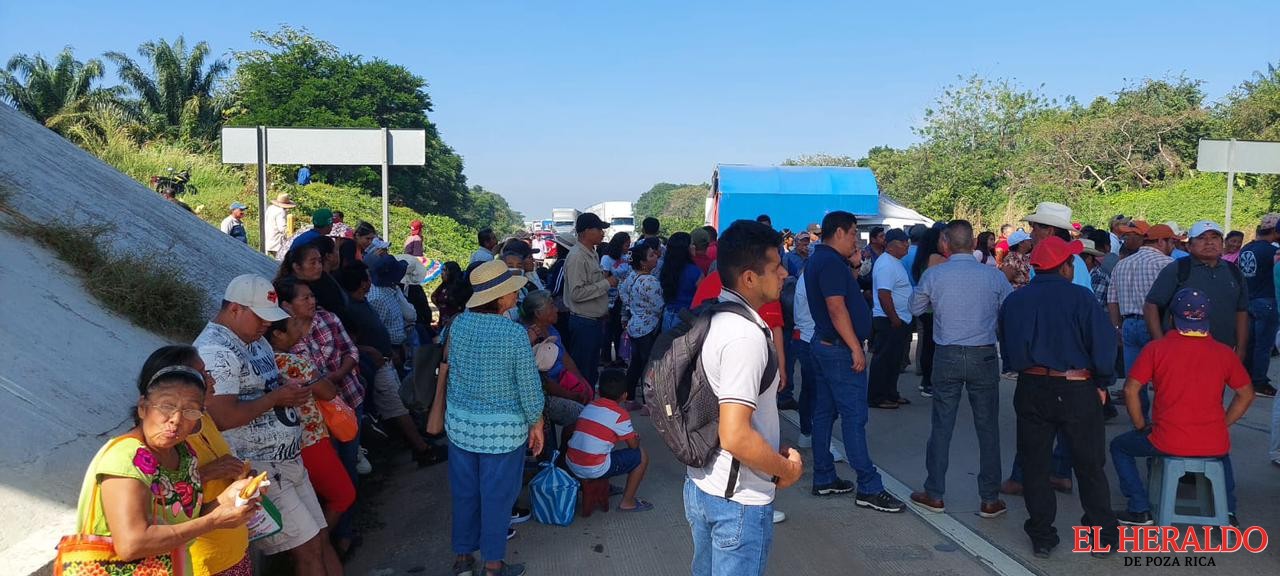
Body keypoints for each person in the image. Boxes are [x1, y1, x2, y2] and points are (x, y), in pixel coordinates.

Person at [683, 219, 802, 576]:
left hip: (702, 482)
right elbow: (736, 435)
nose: (784, 273)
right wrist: (786, 471)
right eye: (775, 265)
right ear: (749, 278)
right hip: (738, 500)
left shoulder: (713, 316)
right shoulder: (744, 337)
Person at [71, 353, 259, 575]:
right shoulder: (126, 458)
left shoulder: (184, 454)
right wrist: (213, 520)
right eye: (166, 406)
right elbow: (132, 544)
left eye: (190, 411)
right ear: (143, 407)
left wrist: (227, 499)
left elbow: (180, 518)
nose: (176, 420)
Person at [195, 274, 331, 573]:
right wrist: (276, 398)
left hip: (287, 462)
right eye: (260, 318)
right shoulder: (216, 351)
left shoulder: (254, 340)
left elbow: (263, 382)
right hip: (261, 467)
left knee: (318, 539)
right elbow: (223, 417)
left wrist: (285, 385)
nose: (267, 325)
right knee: (307, 550)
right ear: (234, 309)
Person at [998, 237, 1118, 559]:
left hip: (1032, 386)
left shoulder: (1015, 300)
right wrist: (1103, 381)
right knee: (1089, 464)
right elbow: (1103, 344)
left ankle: (1042, 536)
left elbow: (1006, 344)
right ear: (1065, 266)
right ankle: (1101, 536)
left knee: (1035, 465)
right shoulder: (1081, 297)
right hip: (1077, 387)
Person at [1110, 288, 1255, 527]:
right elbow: (1246, 394)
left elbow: (1130, 390)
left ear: (1171, 319)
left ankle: (1139, 507)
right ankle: (1227, 512)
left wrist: (1140, 425)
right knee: (1221, 455)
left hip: (1167, 440)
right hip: (1212, 440)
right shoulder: (1223, 353)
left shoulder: (1156, 349)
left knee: (1119, 447)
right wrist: (1224, 423)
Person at [445, 260, 544, 576]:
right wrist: (537, 422)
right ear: (500, 298)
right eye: (511, 290)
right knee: (497, 499)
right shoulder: (514, 334)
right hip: (502, 434)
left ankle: (462, 560)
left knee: (464, 494)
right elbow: (528, 385)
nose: (516, 294)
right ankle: (492, 565)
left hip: (461, 428)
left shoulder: (458, 324)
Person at [908, 220, 1011, 519]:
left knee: (942, 425)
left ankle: (934, 493)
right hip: (984, 355)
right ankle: (989, 499)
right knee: (987, 427)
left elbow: (915, 309)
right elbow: (1008, 308)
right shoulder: (992, 276)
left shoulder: (934, 275)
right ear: (974, 241)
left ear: (946, 242)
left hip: (948, 353)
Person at [805, 211, 904, 512]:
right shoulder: (830, 263)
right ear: (838, 233)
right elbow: (837, 309)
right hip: (838, 350)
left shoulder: (821, 260)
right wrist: (855, 348)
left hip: (824, 345)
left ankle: (824, 477)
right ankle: (869, 486)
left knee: (824, 414)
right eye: (852, 234)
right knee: (854, 417)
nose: (856, 240)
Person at [263, 309, 348, 575]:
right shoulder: (293, 362)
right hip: (310, 441)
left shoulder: (263, 363)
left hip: (288, 447)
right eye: (295, 324)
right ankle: (313, 542)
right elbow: (328, 391)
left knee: (323, 515)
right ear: (277, 333)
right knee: (344, 495)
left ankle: (315, 542)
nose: (301, 328)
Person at [1144, 220, 1247, 357]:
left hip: (1223, 354)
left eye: (1215, 237)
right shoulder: (1177, 269)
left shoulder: (1233, 271)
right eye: (1202, 238)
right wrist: (1161, 344)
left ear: (1222, 243)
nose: (1209, 242)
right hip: (1181, 355)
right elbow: (1151, 305)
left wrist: (1240, 350)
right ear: (1189, 245)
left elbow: (1242, 311)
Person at [565, 369, 652, 511]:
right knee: (641, 456)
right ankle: (627, 502)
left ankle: (602, 485)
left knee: (604, 449)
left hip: (572, 463)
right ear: (624, 396)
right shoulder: (620, 415)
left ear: (599, 392)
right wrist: (635, 437)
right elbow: (633, 446)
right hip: (593, 468)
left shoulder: (590, 406)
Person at [1107, 221, 1176, 380]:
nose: (1173, 247)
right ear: (1160, 241)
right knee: (1163, 374)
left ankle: (1136, 404)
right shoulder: (1168, 264)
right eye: (1172, 242)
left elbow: (1112, 299)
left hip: (1128, 324)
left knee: (1134, 378)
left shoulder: (1121, 264)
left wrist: (1117, 326)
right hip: (1157, 324)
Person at [564, 213, 618, 386]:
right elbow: (576, 293)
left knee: (591, 370)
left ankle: (588, 407)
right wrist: (606, 283)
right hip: (583, 323)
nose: (602, 233)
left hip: (593, 321)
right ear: (586, 231)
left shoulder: (591, 253)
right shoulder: (577, 256)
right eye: (599, 229)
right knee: (583, 372)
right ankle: (582, 409)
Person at [867, 229, 913, 409]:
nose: (907, 246)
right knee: (884, 360)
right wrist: (894, 318)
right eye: (904, 243)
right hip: (889, 320)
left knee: (894, 361)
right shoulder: (886, 264)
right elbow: (884, 294)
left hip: (898, 318)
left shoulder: (894, 262)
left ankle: (891, 393)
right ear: (893, 245)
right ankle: (877, 397)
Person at [1236, 214, 1280, 397]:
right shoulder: (1271, 252)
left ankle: (1244, 377)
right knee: (1263, 345)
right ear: (1273, 232)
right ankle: (1259, 381)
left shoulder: (1247, 249)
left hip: (1249, 301)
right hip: (1266, 301)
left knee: (1250, 342)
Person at [619, 241, 663, 406]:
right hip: (648, 327)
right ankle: (647, 402)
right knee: (648, 365)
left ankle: (630, 398)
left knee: (635, 364)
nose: (656, 257)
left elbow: (623, 296)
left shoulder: (630, 277)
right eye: (651, 255)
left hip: (634, 325)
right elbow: (659, 305)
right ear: (643, 262)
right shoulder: (650, 281)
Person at [911, 225, 948, 398]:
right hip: (934, 309)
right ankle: (928, 381)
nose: (946, 242)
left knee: (928, 345)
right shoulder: (937, 258)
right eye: (943, 238)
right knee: (933, 347)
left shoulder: (923, 257)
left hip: (926, 309)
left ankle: (927, 381)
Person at [1023, 202, 1093, 291]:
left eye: (1034, 229)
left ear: (1049, 231)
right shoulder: (1072, 260)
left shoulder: (1071, 261)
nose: (1031, 235)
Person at [659, 231, 703, 331]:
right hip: (685, 318)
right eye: (691, 244)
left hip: (667, 316)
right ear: (685, 248)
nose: (694, 246)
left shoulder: (665, 269)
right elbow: (703, 297)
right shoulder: (695, 272)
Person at [600, 232, 633, 365]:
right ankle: (606, 357)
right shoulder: (606, 259)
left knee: (619, 328)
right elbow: (603, 279)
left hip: (623, 298)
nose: (627, 248)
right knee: (608, 329)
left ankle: (620, 357)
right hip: (609, 298)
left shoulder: (626, 257)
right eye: (626, 245)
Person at [431, 261, 466, 329]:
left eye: (444, 270)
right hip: (442, 323)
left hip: (455, 325)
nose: (442, 273)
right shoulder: (443, 285)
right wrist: (440, 306)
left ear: (451, 272)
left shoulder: (460, 287)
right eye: (442, 270)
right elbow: (434, 297)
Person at [265, 193, 295, 258]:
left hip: (269, 239)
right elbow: (282, 228)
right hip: (277, 241)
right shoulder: (280, 212)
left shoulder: (270, 208)